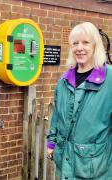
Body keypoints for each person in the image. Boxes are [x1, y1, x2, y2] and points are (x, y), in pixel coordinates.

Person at [47, 22, 112, 180]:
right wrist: (51, 143)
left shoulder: (109, 80)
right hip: (64, 164)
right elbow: (57, 117)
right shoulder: (64, 81)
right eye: (75, 43)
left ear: (96, 46)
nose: (79, 48)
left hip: (96, 168)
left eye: (85, 42)